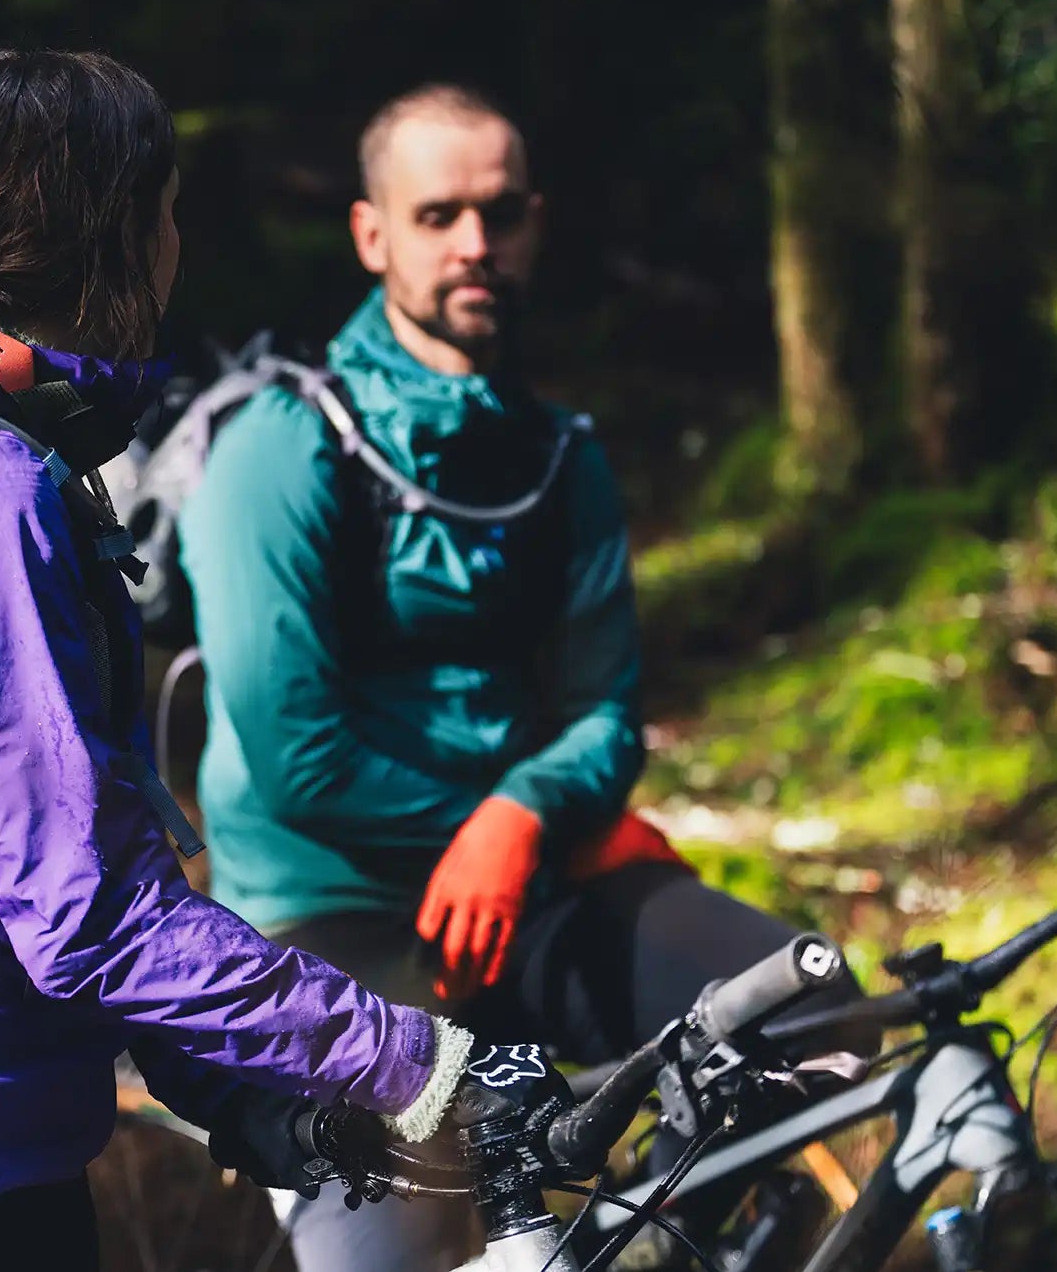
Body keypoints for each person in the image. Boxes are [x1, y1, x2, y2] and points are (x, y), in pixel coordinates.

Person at [0, 52, 532, 1272]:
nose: (175, 245)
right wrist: (413, 1060)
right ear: (116, 234)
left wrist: (253, 1107)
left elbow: (44, 879)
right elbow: (85, 914)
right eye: (168, 210)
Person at [177, 84, 869, 1271]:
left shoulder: (559, 457)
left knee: (811, 1022)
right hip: (324, 913)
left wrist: (519, 819)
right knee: (388, 1244)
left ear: (535, 222)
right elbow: (297, 759)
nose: (473, 246)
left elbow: (604, 713)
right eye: (437, 214)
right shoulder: (277, 453)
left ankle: (641, 1246)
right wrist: (490, 822)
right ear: (370, 234)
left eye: (499, 214)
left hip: (518, 889)